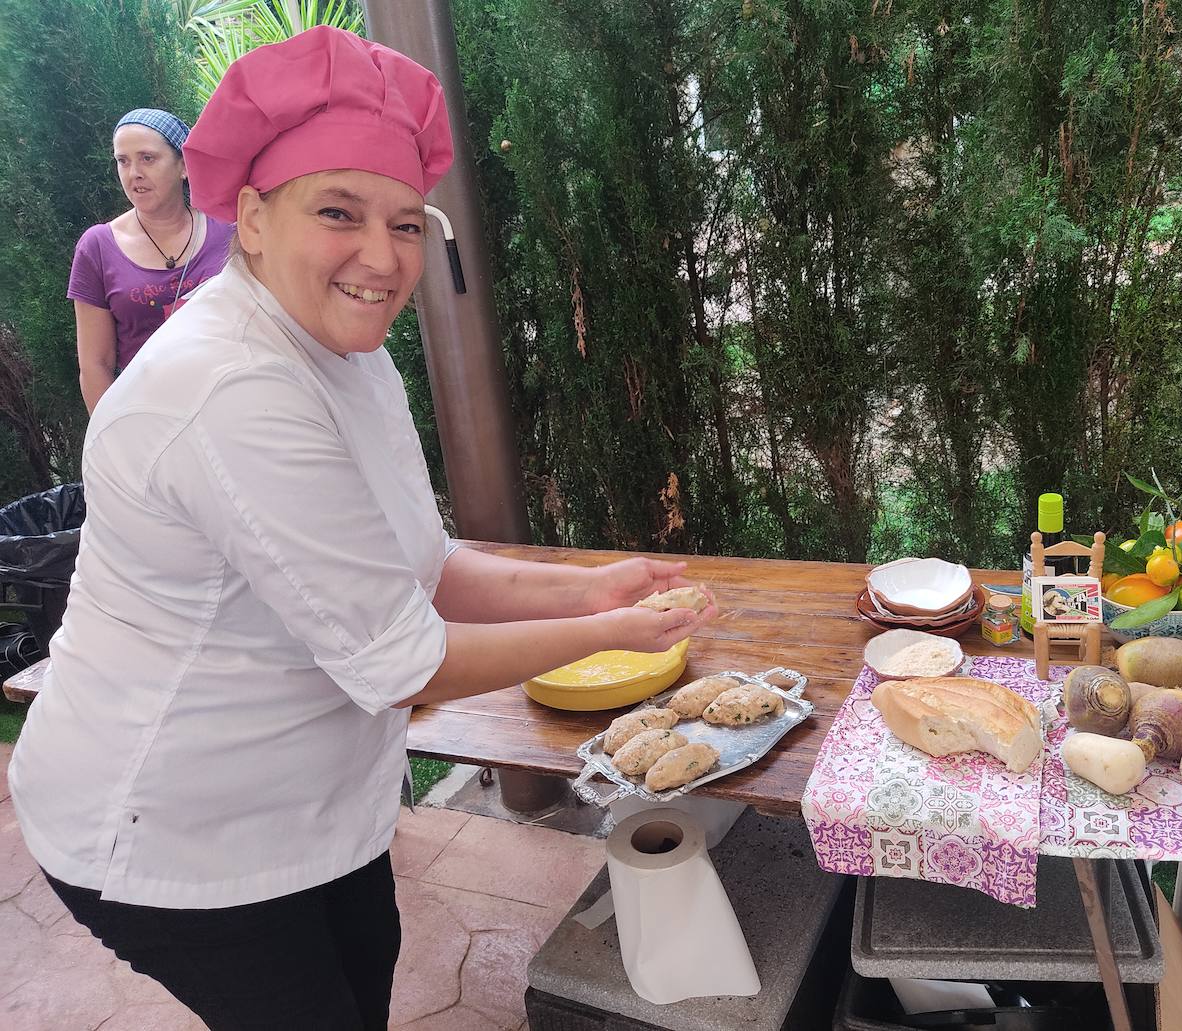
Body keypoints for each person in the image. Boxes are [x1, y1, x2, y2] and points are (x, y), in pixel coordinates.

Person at [10, 26, 717, 1030]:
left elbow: (421, 564)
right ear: (251, 218)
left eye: (405, 223)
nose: (382, 258)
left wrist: (591, 585)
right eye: (337, 213)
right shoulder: (229, 387)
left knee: (369, 955)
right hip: (169, 826)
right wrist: (615, 633)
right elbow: (404, 662)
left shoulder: (347, 348)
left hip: (307, 800)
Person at [68, 108, 234, 412]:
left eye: (147, 158)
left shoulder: (228, 230)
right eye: (123, 161)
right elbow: (95, 364)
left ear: (183, 165)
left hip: (232, 404)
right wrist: (114, 443)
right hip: (150, 420)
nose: (134, 174)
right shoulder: (98, 247)